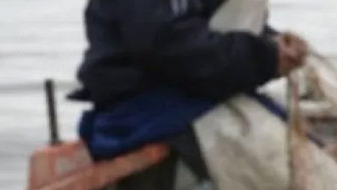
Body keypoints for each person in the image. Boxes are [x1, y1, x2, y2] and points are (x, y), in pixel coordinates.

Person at [68, 0, 309, 161]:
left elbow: (210, 21)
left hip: (189, 90)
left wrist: (271, 43)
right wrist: (265, 57)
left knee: (299, 148)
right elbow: (170, 48)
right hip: (143, 103)